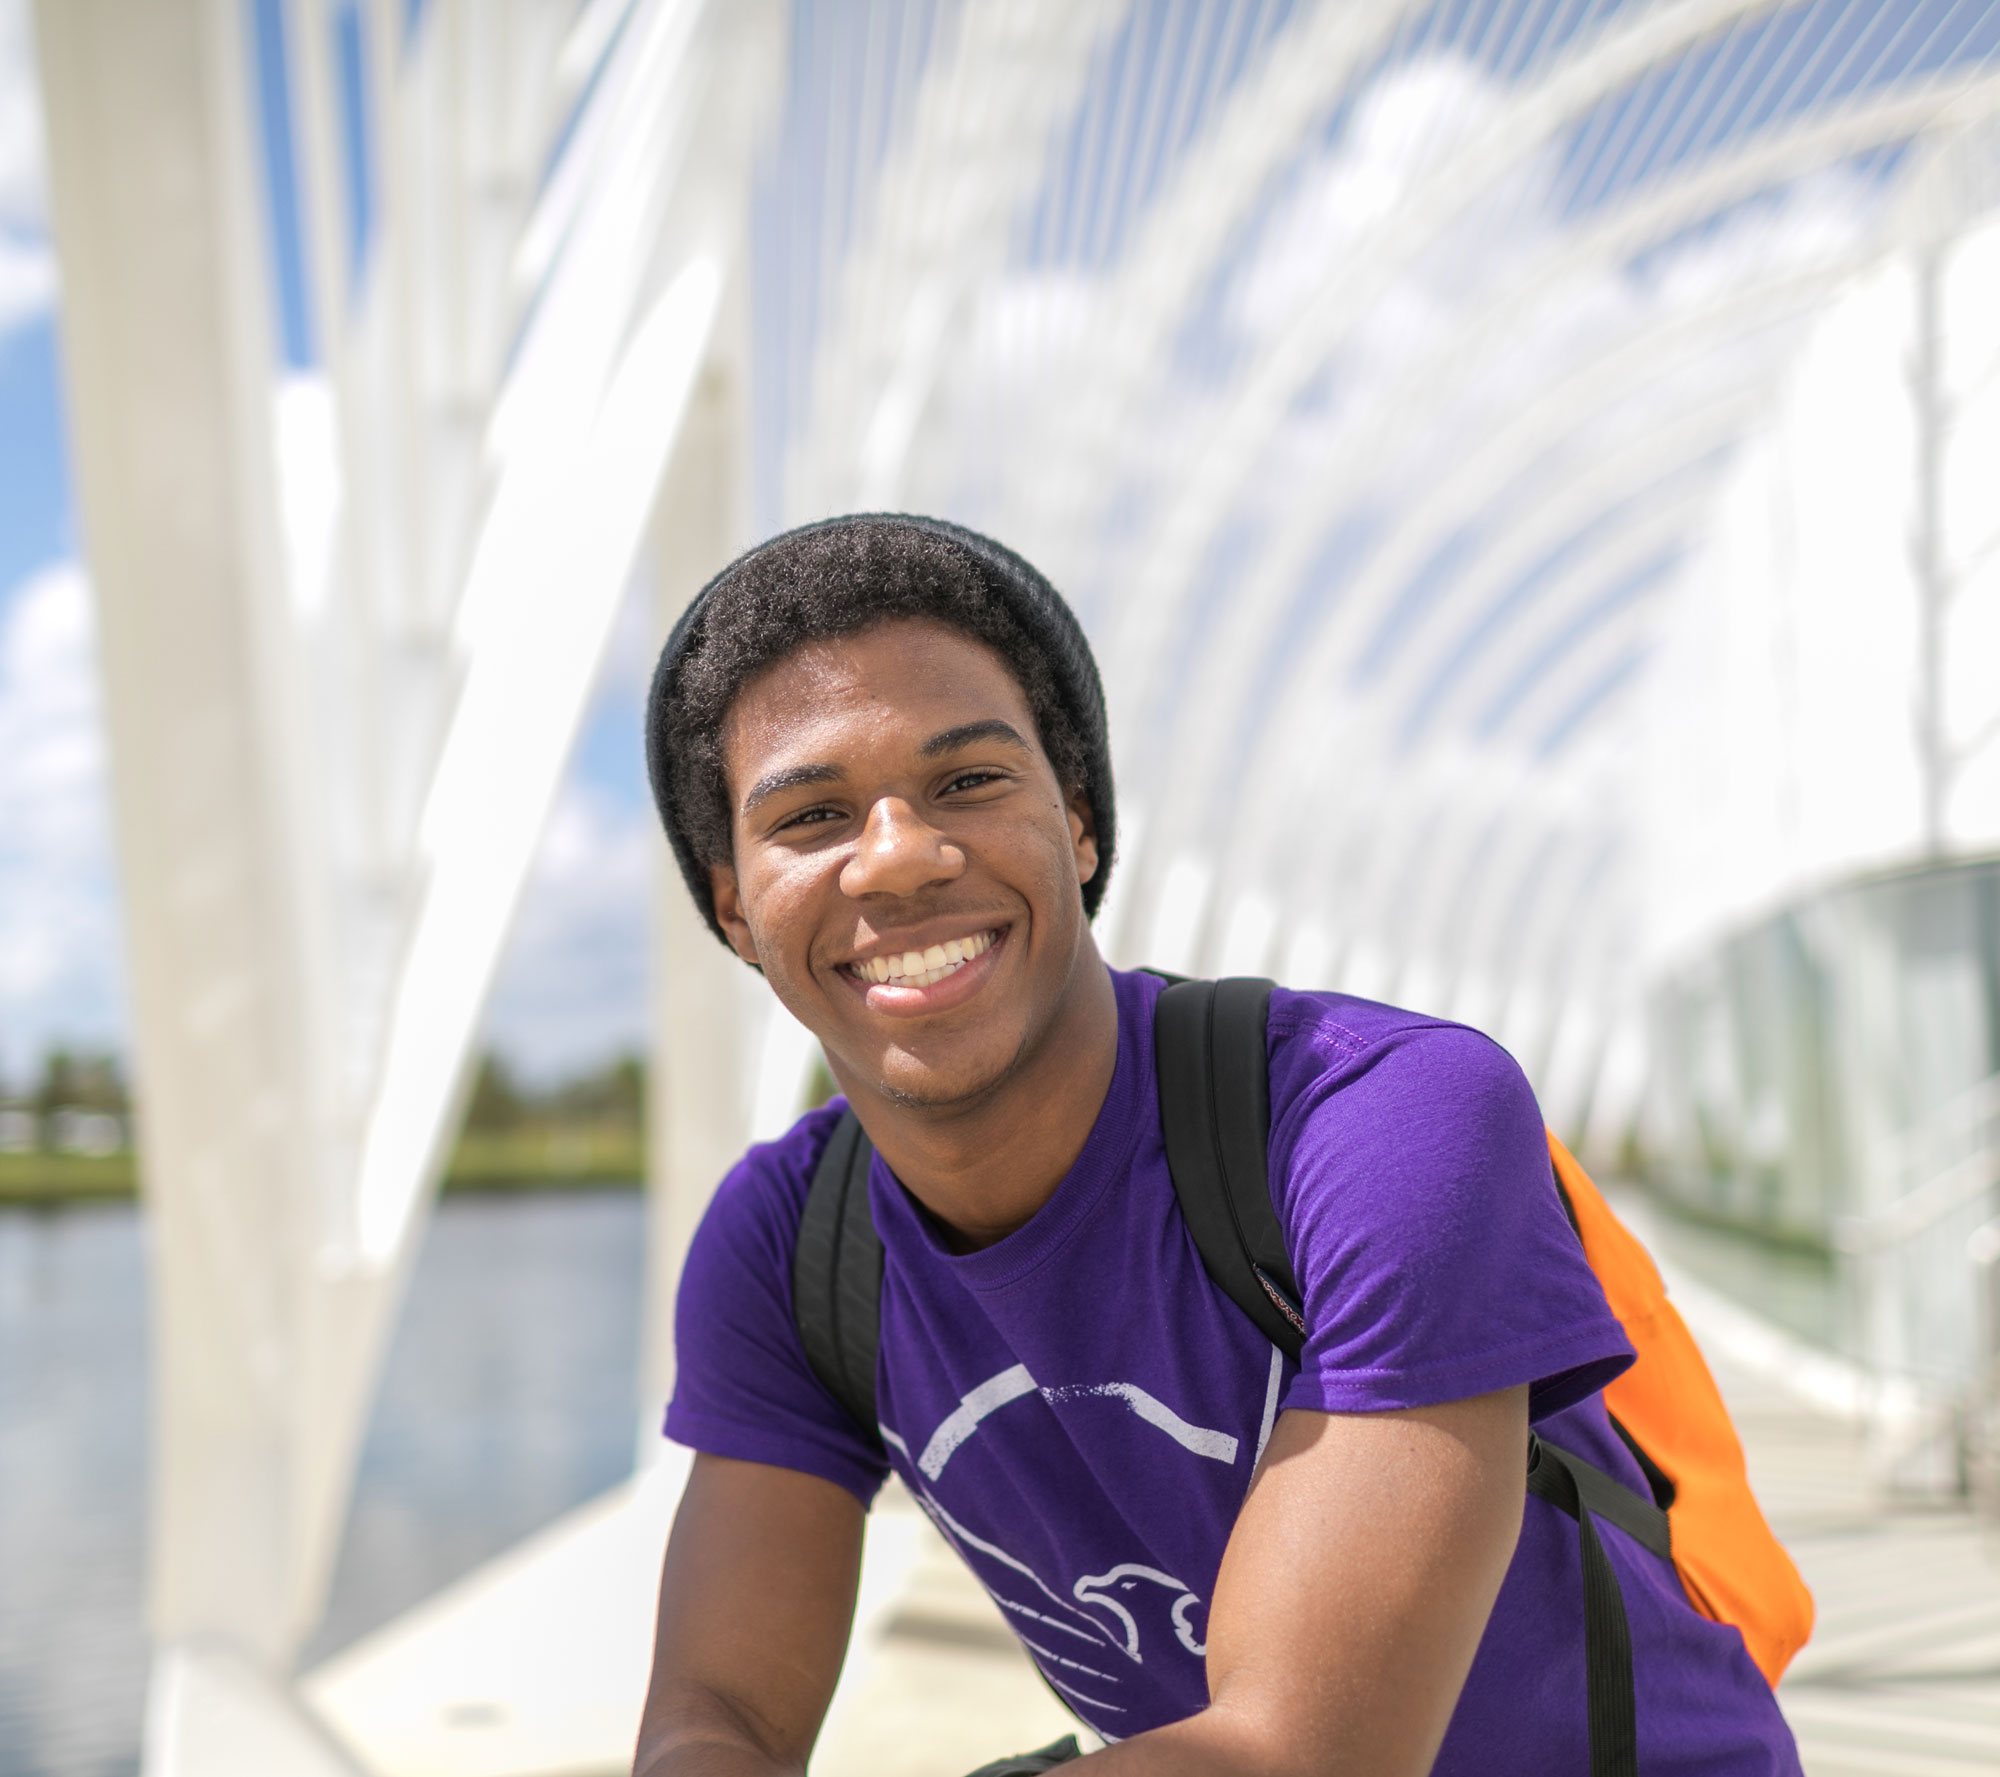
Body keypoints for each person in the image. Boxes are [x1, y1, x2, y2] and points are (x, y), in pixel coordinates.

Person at [630, 514, 1800, 1776]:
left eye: (969, 780)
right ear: (732, 907)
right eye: (811, 814)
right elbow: (717, 1719)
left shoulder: (1380, 1123)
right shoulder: (790, 1245)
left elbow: (1293, 1755)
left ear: (1079, 826)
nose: (901, 855)